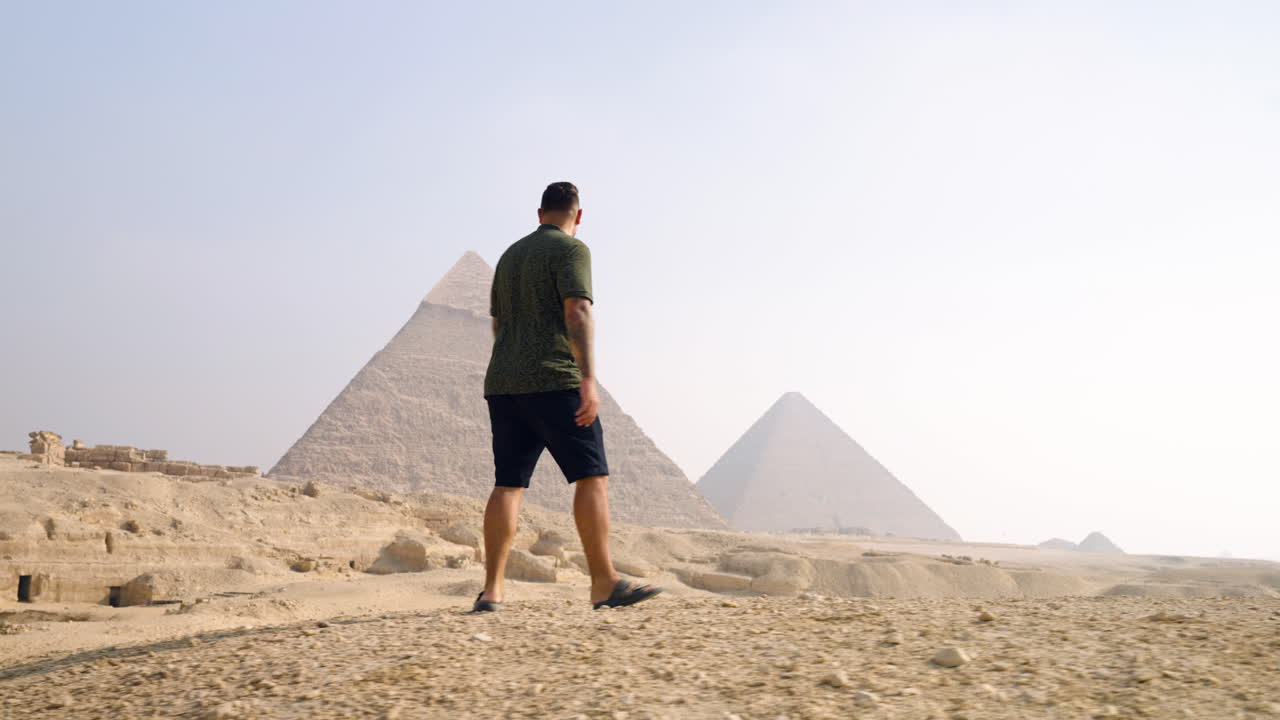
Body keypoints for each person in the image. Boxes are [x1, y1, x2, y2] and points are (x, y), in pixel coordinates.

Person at [474, 181, 662, 612]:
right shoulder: (572, 250)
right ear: (578, 216)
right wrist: (588, 379)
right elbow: (577, 310)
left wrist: (512, 360)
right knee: (591, 475)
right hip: (555, 379)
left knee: (508, 483)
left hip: (503, 384)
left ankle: (492, 591)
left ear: (539, 214)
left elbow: (499, 324)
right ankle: (604, 583)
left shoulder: (508, 257)